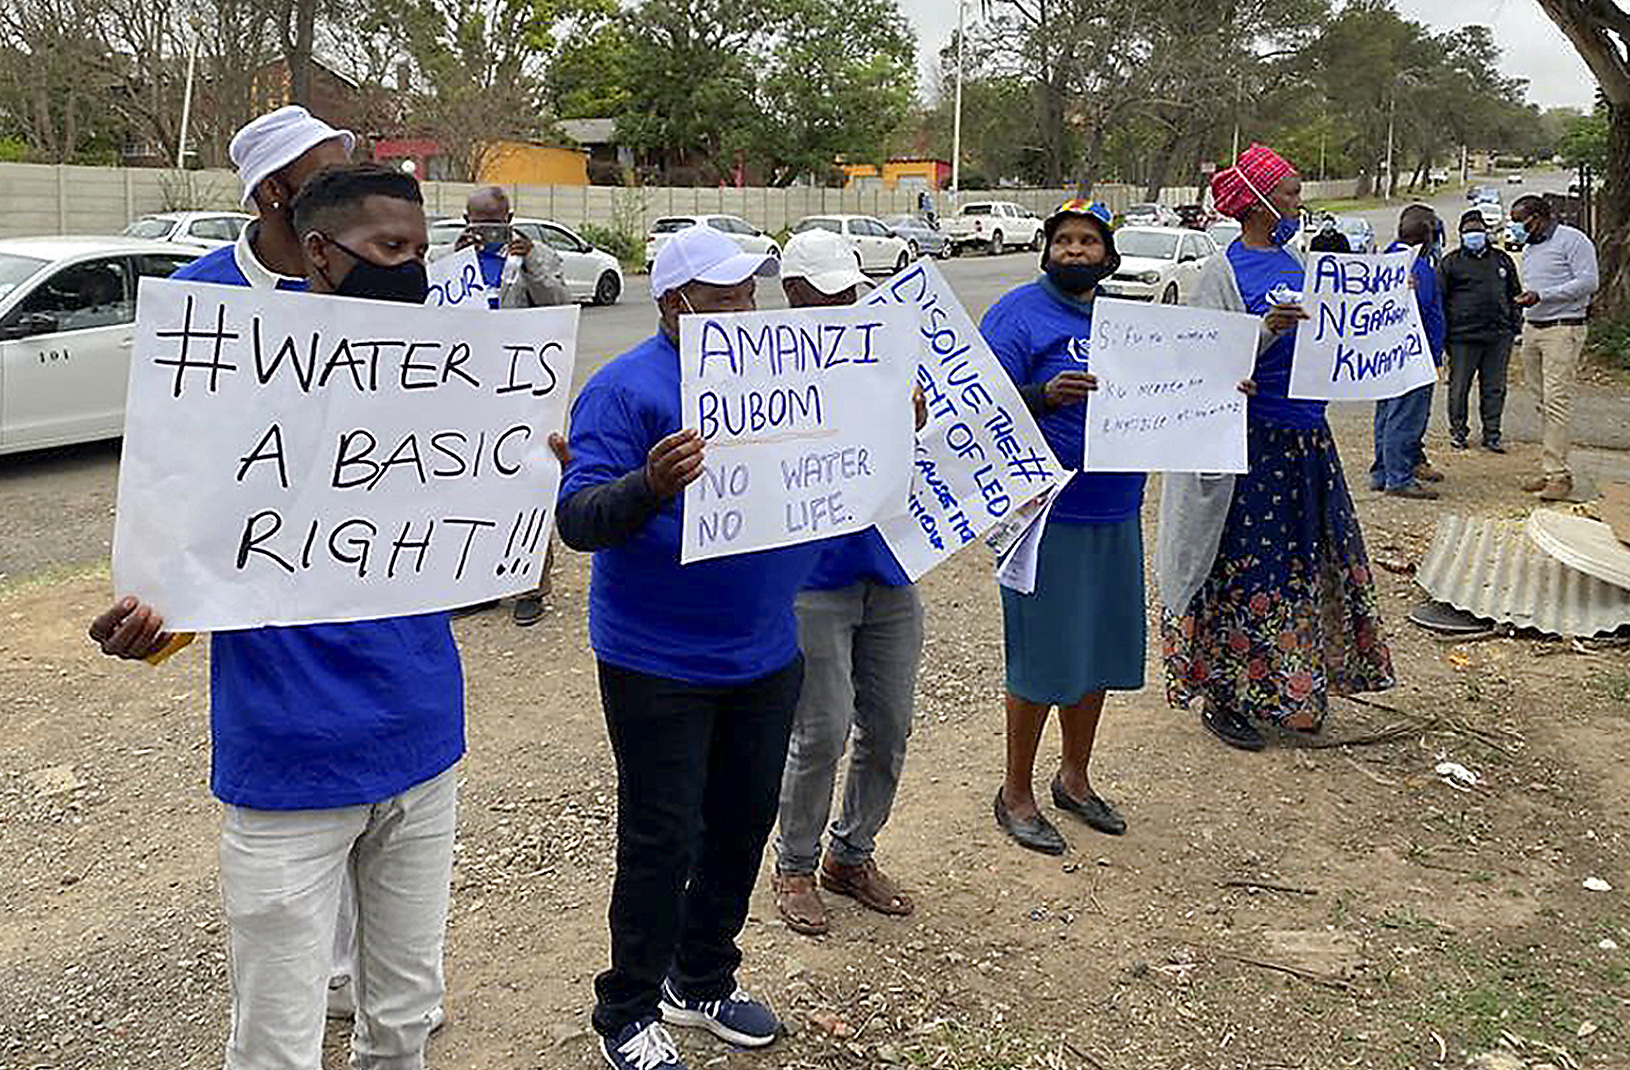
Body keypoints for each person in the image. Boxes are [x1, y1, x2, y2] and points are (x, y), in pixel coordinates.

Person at [89, 162, 460, 1070]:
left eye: (420, 248)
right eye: (389, 247)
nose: (411, 267)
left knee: (405, 1016)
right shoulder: (228, 399)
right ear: (322, 252)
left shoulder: (450, 381)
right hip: (290, 766)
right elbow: (191, 571)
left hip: (423, 744)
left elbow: (474, 552)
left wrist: (529, 479)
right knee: (276, 1040)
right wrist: (150, 628)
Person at [555, 225, 806, 1070]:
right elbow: (579, 520)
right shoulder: (623, 390)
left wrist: (889, 424)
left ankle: (699, 980)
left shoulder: (783, 370)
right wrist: (650, 485)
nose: (749, 308)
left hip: (766, 649)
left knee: (743, 822)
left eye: (750, 293)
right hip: (656, 659)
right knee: (662, 837)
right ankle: (626, 1009)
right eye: (729, 296)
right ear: (675, 304)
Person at [1158, 144, 1395, 752]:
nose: (1298, 202)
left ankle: (1293, 691)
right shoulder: (1222, 272)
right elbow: (1205, 364)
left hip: (1306, 442)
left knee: (1302, 567)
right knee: (1245, 570)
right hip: (1250, 448)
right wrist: (1266, 332)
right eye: (1289, 192)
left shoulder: (1301, 262)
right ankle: (1226, 696)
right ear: (1258, 202)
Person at [979, 200, 1145, 855]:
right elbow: (976, 402)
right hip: (1045, 516)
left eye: (1088, 242)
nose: (1075, 251)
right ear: (1047, 250)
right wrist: (1044, 397)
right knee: (1041, 659)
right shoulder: (1017, 315)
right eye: (1064, 240)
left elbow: (1175, 389)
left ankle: (1074, 778)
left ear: (1108, 255)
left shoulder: (1129, 323)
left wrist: (1220, 393)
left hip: (1116, 508)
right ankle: (1014, 792)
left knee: (1099, 650)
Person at [772, 229, 923, 934]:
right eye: (823, 292)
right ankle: (795, 865)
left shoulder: (881, 355)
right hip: (812, 580)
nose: (840, 302)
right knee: (820, 730)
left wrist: (910, 419)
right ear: (791, 292)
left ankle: (852, 854)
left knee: (888, 723)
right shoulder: (762, 369)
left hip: (889, 567)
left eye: (849, 289)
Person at [429, 186, 569, 626]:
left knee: (526, 480)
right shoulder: (446, 262)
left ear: (510, 216)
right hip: (465, 389)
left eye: (494, 221)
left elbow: (558, 306)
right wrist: (454, 258)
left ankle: (530, 584)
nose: (486, 231)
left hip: (518, 389)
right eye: (477, 222)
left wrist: (530, 264)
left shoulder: (536, 255)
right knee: (471, 484)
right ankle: (481, 583)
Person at [1510, 193, 1600, 501]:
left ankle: (1559, 475)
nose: (1517, 229)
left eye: (1520, 222)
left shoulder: (1572, 240)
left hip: (1563, 329)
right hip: (1533, 328)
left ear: (1538, 217)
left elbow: (1589, 282)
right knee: (1541, 402)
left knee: (1557, 401)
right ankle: (1551, 467)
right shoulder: (1532, 247)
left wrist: (1543, 296)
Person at [1369, 204, 1447, 500]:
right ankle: (1398, 476)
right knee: (1406, 416)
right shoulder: (1416, 266)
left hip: (1389, 353)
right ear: (1429, 233)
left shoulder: (1387, 258)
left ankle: (1382, 471)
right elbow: (1426, 308)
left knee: (1388, 413)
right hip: (1413, 353)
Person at [1440, 209, 1523, 453]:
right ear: (1461, 235)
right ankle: (1458, 432)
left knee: (1494, 388)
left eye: (1478, 231)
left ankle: (1492, 434)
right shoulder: (1451, 262)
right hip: (1462, 338)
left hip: (1498, 336)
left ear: (1486, 233)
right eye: (1469, 232)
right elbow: (1441, 299)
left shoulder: (1502, 260)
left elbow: (1514, 295)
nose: (1474, 236)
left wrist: (1514, 327)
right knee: (1459, 388)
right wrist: (1445, 336)